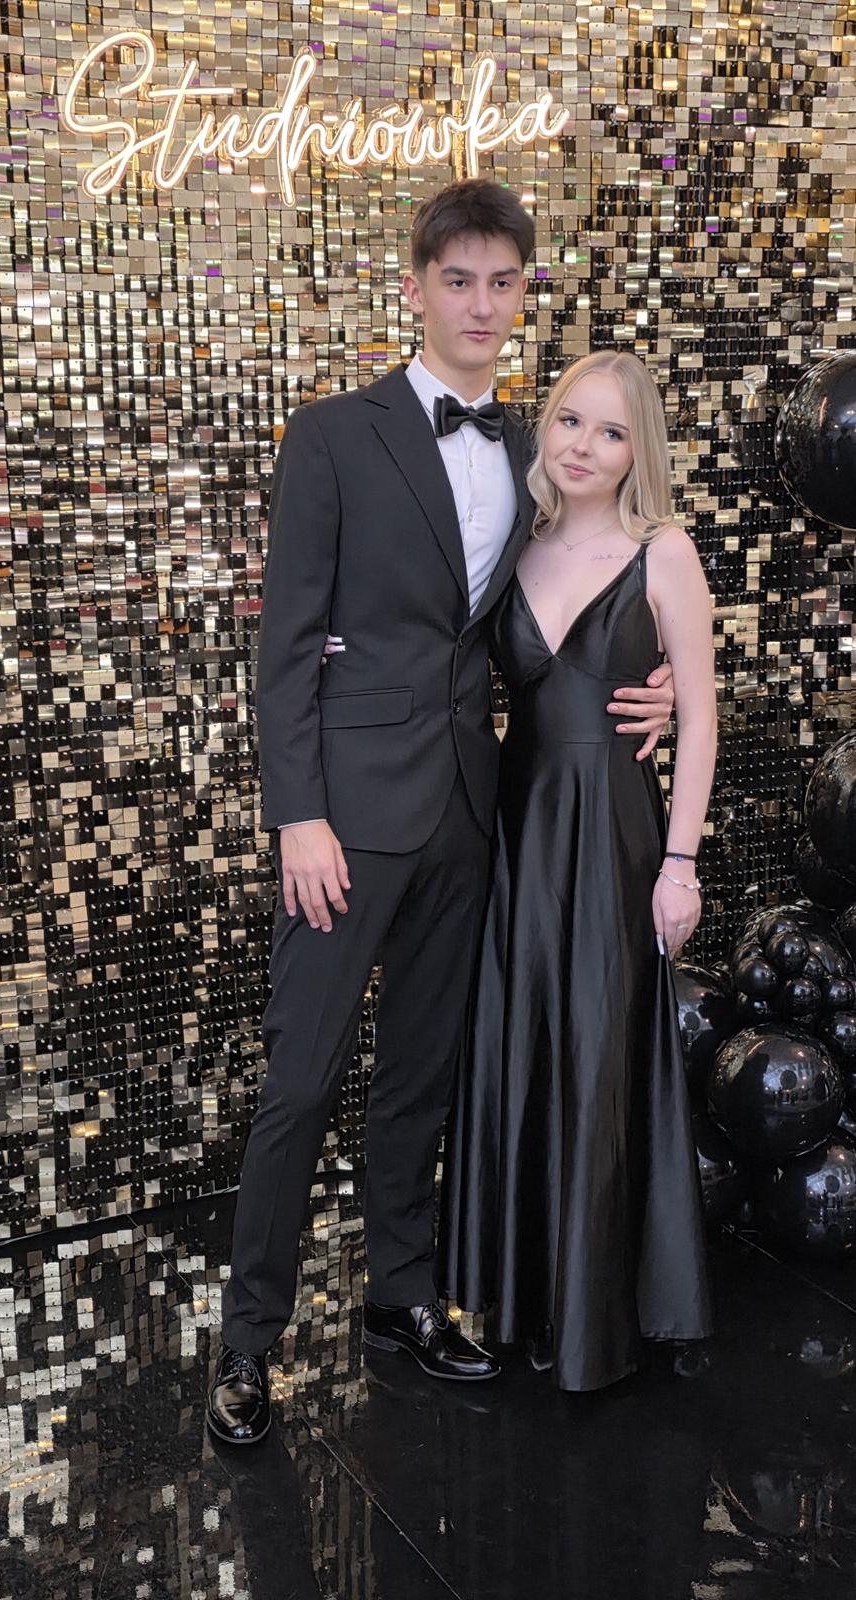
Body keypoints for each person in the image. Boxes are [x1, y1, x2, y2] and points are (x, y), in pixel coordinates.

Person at [206, 183, 677, 1446]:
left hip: (473, 808)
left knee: (421, 1070)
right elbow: (285, 643)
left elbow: (602, 572)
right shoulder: (333, 434)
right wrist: (298, 815)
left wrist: (665, 678)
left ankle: (400, 1293)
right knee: (301, 1080)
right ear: (415, 287)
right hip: (347, 819)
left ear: (522, 296)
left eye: (502, 283)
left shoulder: (538, 446)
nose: (480, 304)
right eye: (457, 280)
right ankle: (246, 1343)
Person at [440, 350, 717, 1392]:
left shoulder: (663, 550)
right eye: (569, 421)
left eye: (610, 432)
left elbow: (700, 716)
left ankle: (600, 1311)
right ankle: (523, 1298)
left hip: (613, 830)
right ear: (543, 428)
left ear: (637, 451)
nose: (584, 447)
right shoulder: (513, 542)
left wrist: (680, 862)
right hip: (517, 827)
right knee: (522, 1044)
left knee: (601, 1050)